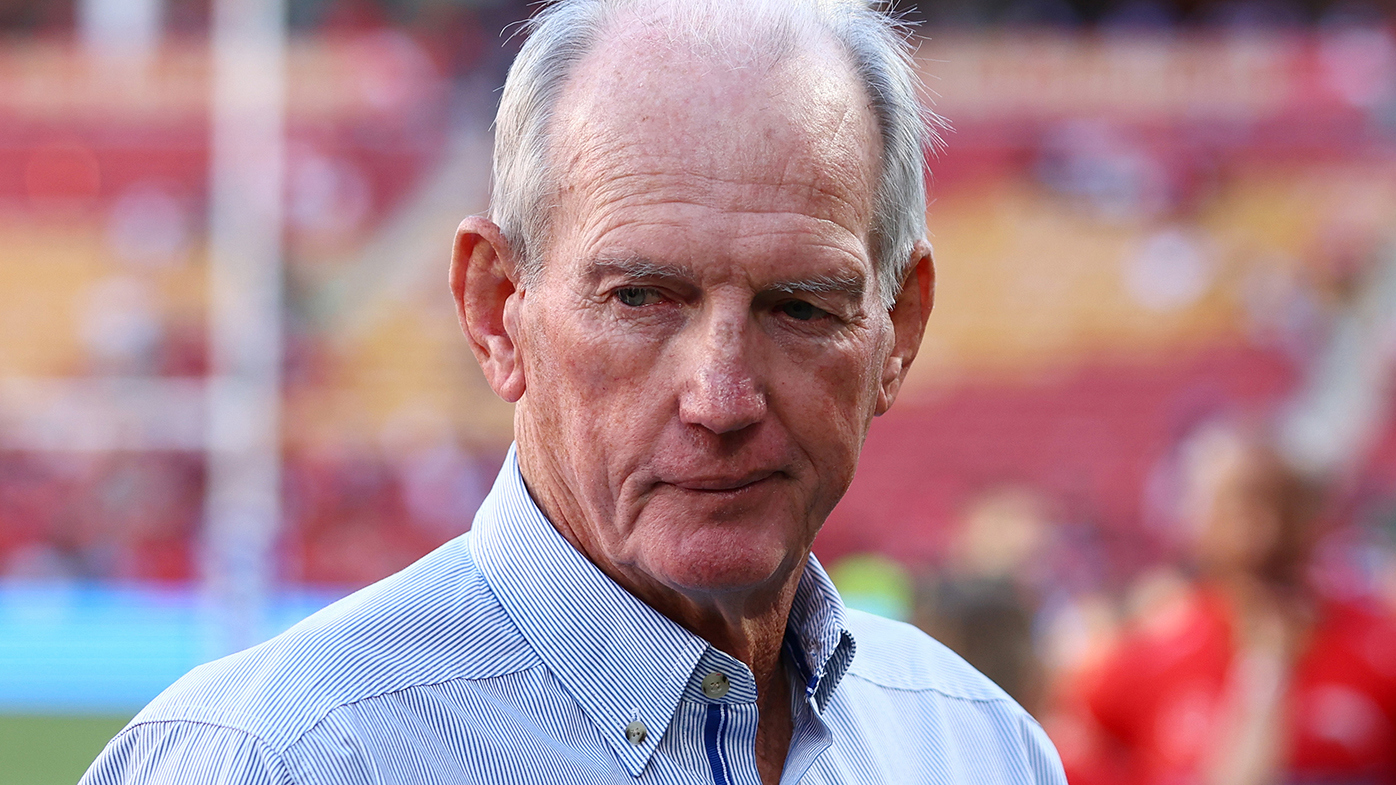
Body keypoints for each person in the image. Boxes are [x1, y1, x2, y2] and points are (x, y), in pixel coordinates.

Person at [82, 1, 1066, 782]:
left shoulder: (981, 748)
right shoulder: (275, 759)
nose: (719, 396)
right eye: (640, 297)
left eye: (799, 307)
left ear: (898, 327)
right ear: (495, 306)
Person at [1057, 423, 1396, 785]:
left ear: (1316, 521)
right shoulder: (1146, 653)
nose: (1265, 534)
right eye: (1239, 510)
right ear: (1199, 524)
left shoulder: (1381, 646)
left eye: (1283, 505)